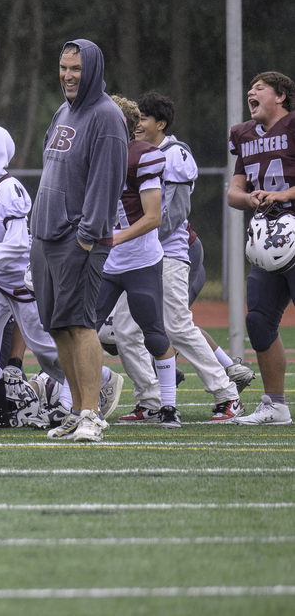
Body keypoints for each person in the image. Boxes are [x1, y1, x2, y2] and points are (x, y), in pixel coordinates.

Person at [112, 92, 246, 422]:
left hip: (167, 253)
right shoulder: (126, 154)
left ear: (161, 123)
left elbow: (173, 212)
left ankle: (227, 393)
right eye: (136, 118)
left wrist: (138, 240)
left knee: (177, 325)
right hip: (133, 256)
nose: (138, 123)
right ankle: (151, 399)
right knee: (124, 331)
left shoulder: (175, 154)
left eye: (144, 118)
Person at [29, 39, 129, 442]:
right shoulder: (64, 110)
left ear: (92, 70)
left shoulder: (107, 116)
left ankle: (92, 413)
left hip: (79, 239)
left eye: (76, 69)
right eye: (63, 67)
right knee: (56, 326)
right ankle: (75, 408)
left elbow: (107, 184)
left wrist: (87, 238)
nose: (68, 75)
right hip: (46, 236)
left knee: (81, 324)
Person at [0, 121, 75, 429]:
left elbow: (18, 241)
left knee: (47, 348)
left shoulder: (10, 188)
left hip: (22, 281)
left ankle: (92, 386)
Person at [85, 96, 173, 427]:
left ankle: (168, 406)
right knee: (83, 329)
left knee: (153, 332)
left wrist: (112, 240)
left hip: (140, 260)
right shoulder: (92, 156)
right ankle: (84, 404)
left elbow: (153, 217)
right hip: (105, 264)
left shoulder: (143, 156)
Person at [227, 71, 295, 425]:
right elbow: (233, 193)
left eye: (259, 88)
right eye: (250, 88)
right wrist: (249, 196)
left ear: (281, 96)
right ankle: (276, 405)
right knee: (258, 320)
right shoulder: (244, 136)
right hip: (269, 238)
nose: (250, 92)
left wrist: (284, 194)